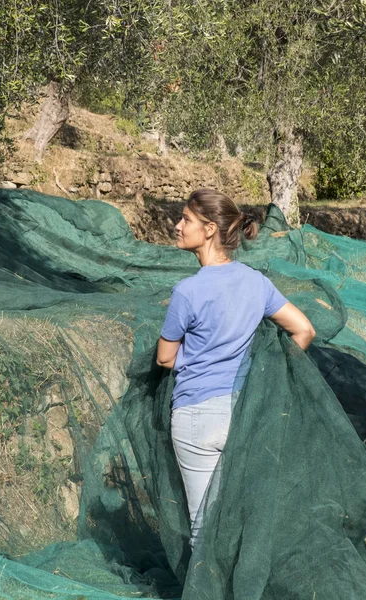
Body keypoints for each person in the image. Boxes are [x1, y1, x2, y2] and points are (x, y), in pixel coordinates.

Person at [156, 188, 316, 548]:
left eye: (186, 220)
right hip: (244, 413)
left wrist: (197, 357)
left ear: (210, 229)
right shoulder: (256, 282)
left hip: (196, 416)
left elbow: (165, 358)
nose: (178, 226)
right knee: (241, 523)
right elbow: (304, 330)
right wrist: (268, 369)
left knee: (203, 529)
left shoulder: (187, 292)